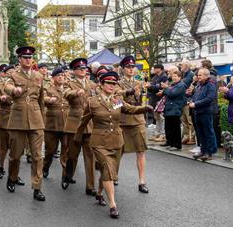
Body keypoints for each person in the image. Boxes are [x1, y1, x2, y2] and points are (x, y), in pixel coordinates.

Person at [75, 71, 152, 218]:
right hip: (99, 142)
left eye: (113, 84)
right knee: (107, 169)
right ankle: (112, 204)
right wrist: (77, 139)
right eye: (108, 83)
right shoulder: (92, 102)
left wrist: (145, 108)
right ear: (101, 85)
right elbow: (83, 122)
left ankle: (99, 193)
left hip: (117, 141)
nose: (111, 86)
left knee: (109, 171)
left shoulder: (117, 101)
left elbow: (130, 109)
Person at [4, 46, 46, 201]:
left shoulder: (39, 76)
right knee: (15, 155)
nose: (28, 60)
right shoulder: (13, 75)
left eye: (30, 57)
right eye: (25, 57)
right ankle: (12, 176)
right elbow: (6, 86)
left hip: (36, 120)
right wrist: (13, 90)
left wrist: (42, 120)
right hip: (18, 119)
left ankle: (37, 187)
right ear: (20, 59)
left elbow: (41, 99)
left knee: (37, 156)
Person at [62, 58, 96, 196]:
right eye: (80, 69)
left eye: (84, 69)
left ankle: (90, 186)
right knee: (72, 155)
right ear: (75, 71)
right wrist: (76, 92)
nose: (83, 71)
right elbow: (65, 94)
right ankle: (66, 175)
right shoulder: (69, 83)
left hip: (89, 124)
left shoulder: (92, 84)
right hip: (74, 124)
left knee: (90, 156)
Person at [116, 55, 149, 192]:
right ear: (123, 69)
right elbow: (116, 96)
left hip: (138, 119)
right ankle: (114, 175)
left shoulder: (138, 81)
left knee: (141, 150)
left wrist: (139, 92)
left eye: (132, 67)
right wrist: (130, 91)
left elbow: (142, 98)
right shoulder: (118, 82)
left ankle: (142, 181)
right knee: (119, 150)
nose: (131, 69)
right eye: (128, 67)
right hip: (123, 120)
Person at [42, 67, 69, 178]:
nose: (61, 77)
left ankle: (65, 175)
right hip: (52, 125)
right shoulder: (48, 89)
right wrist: (49, 100)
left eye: (62, 75)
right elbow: (42, 98)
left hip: (66, 125)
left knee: (66, 151)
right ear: (53, 78)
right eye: (58, 76)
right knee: (50, 151)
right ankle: (45, 167)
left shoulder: (68, 89)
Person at [189, 68, 217, 161]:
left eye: (200, 75)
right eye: (198, 75)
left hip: (206, 111)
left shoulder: (211, 85)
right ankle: (203, 150)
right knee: (200, 133)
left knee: (208, 132)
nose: (198, 76)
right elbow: (195, 96)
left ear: (206, 75)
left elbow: (209, 99)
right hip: (198, 112)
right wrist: (191, 101)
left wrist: (196, 104)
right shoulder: (199, 85)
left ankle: (209, 152)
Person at [160, 67, 186, 151]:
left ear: (180, 77)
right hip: (169, 108)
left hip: (175, 108)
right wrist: (166, 89)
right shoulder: (172, 84)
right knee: (168, 127)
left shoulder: (181, 85)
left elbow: (172, 94)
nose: (174, 78)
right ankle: (170, 142)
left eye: (176, 76)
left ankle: (177, 145)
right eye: (173, 76)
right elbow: (167, 92)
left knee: (175, 128)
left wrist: (166, 88)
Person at [0, 64, 14, 179]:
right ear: (5, 73)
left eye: (14, 71)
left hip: (18, 118)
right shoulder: (0, 85)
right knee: (3, 147)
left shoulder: (20, 84)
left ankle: (14, 173)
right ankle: (1, 165)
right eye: (10, 71)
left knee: (16, 148)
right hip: (4, 118)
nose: (13, 73)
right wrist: (1, 98)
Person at [144, 64, 168, 142]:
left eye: (155, 68)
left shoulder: (164, 76)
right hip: (154, 99)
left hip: (160, 99)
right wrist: (149, 87)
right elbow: (153, 87)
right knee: (156, 117)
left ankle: (163, 134)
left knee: (161, 117)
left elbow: (160, 87)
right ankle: (157, 133)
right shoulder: (154, 77)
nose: (154, 70)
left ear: (160, 69)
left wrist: (150, 86)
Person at [180, 61, 196, 145]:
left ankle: (192, 138)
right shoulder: (184, 74)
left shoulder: (190, 74)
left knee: (190, 121)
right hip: (183, 100)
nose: (180, 66)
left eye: (181, 65)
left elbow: (182, 85)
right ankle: (186, 137)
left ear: (186, 66)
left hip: (188, 100)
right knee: (184, 120)